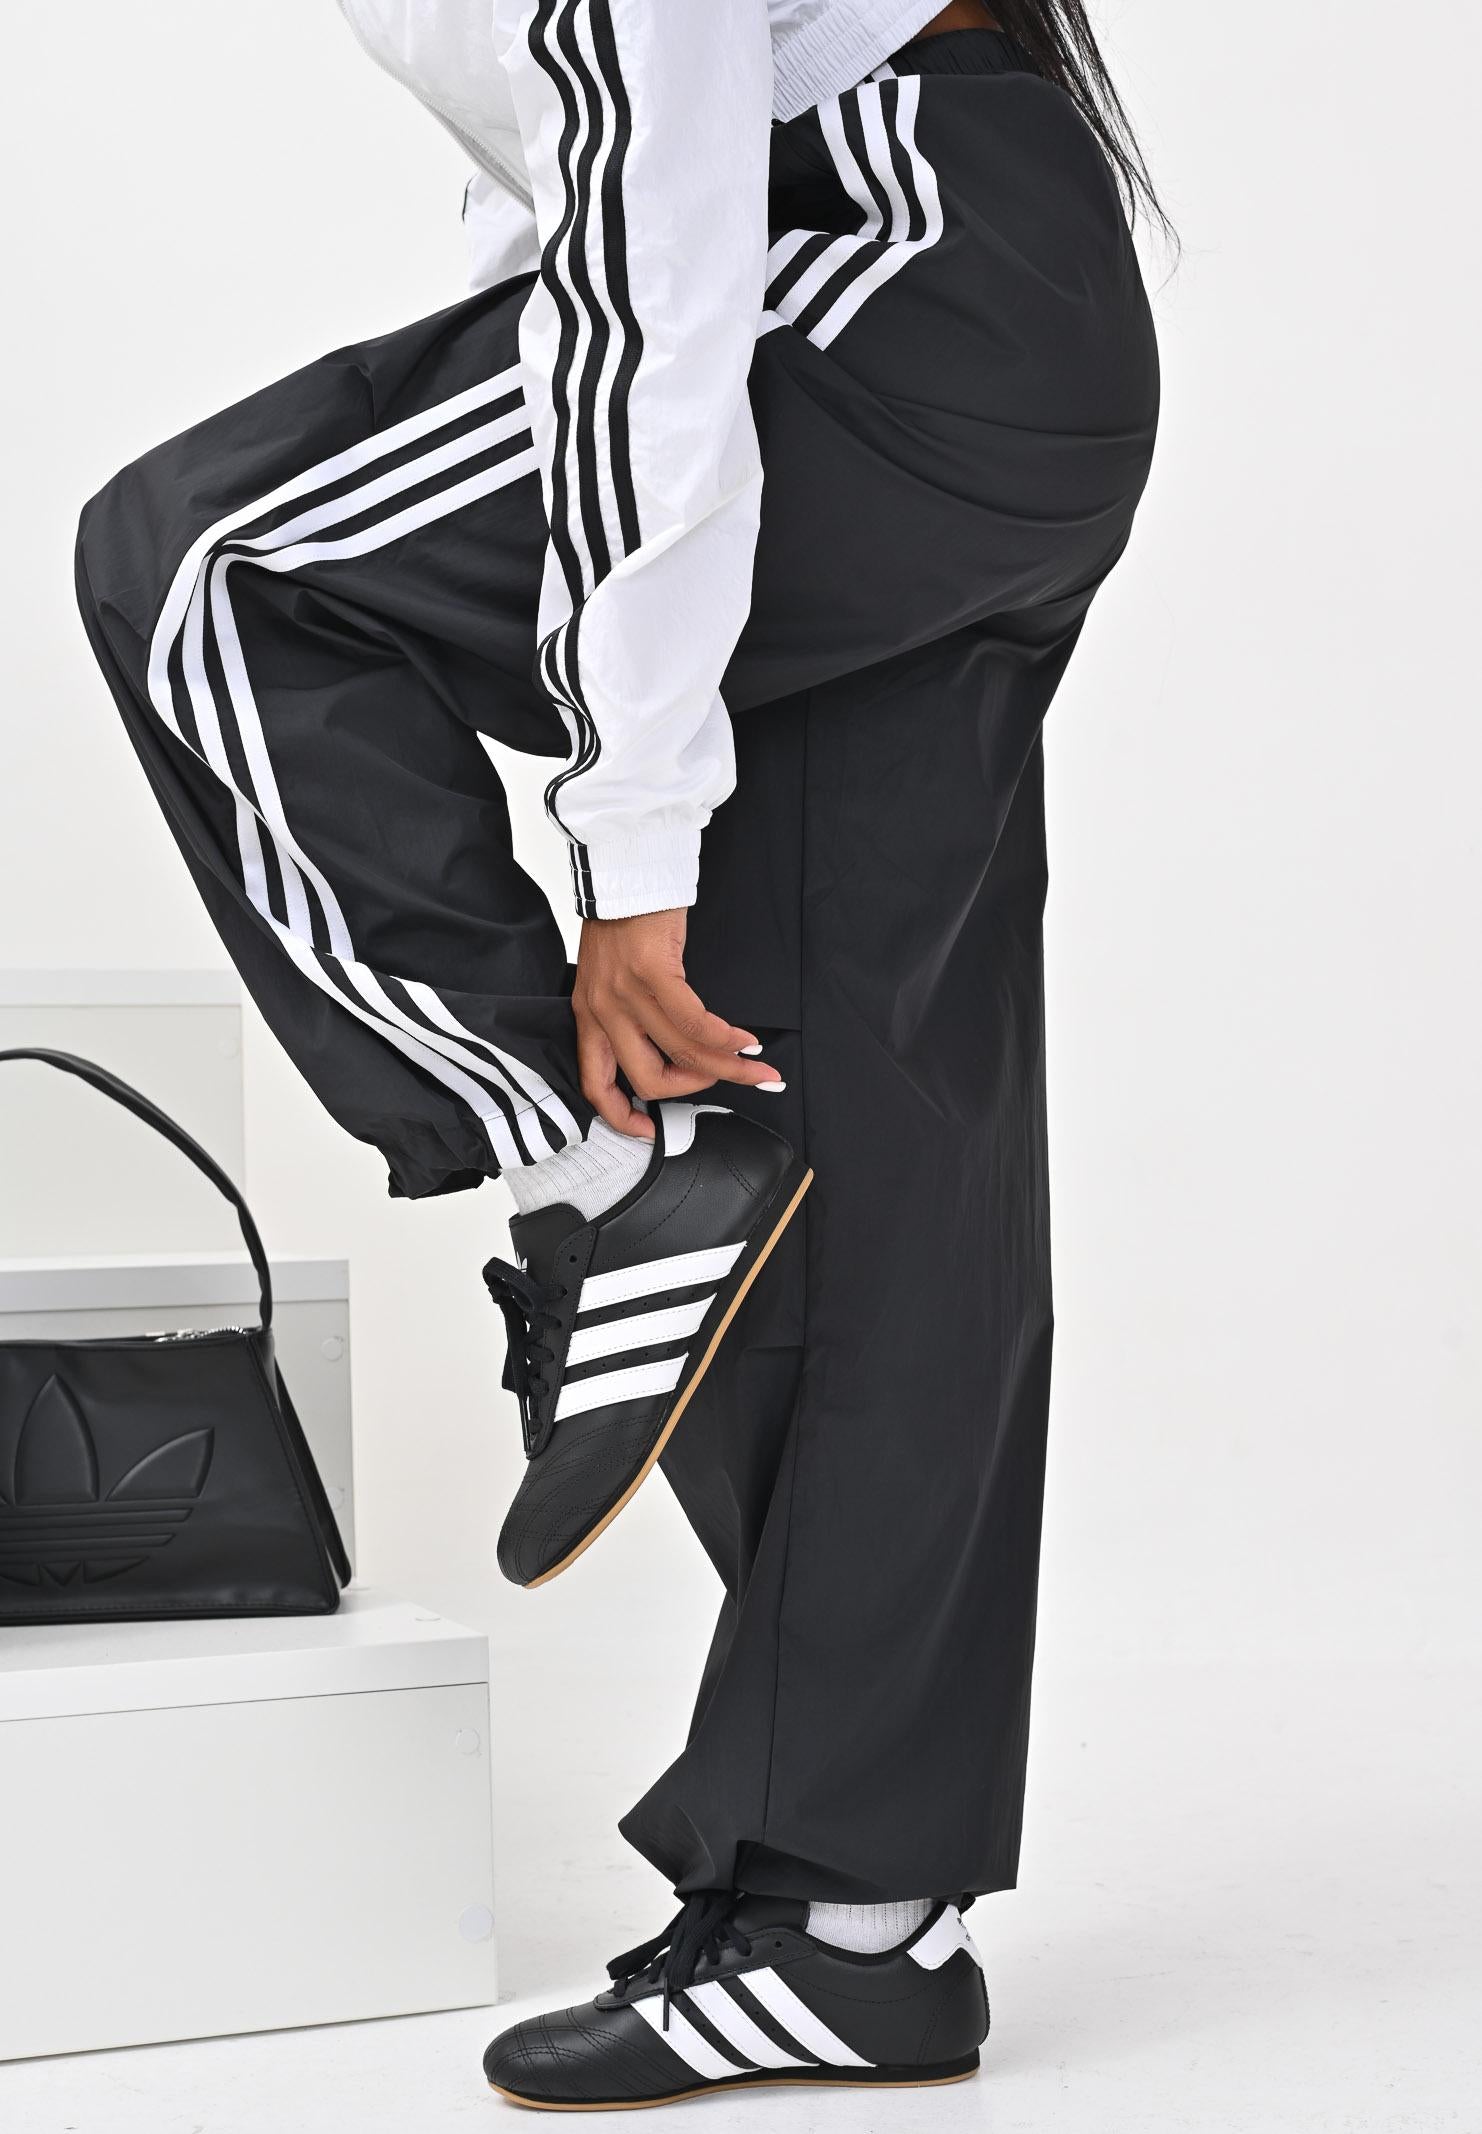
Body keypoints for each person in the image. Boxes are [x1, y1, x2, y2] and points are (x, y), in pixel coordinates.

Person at [74, 0, 1162, 2108]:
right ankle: (855, 1924)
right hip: (989, 304)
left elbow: (653, 255)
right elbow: (592, 187)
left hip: (870, 285)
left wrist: (633, 844)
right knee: (847, 1134)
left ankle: (603, 1179)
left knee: (211, 567)